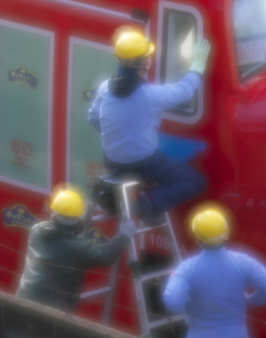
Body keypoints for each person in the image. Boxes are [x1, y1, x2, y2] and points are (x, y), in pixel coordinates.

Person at [88, 27, 211, 222]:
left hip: (112, 162)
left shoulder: (104, 88)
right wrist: (197, 65)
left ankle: (119, 198)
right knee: (194, 180)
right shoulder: (149, 95)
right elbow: (184, 91)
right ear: (145, 62)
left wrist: (118, 136)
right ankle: (146, 205)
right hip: (144, 164)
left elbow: (93, 118)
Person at [162, 207, 266, 338]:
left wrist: (174, 280)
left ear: (198, 237)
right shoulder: (242, 261)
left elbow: (173, 302)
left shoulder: (188, 267)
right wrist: (249, 300)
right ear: (226, 233)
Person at [17, 186, 132, 311]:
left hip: (24, 298)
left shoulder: (37, 230)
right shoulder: (77, 247)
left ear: (54, 212)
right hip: (52, 310)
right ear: (76, 219)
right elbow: (106, 255)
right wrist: (125, 235)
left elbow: (64, 229)